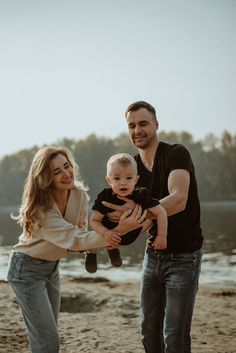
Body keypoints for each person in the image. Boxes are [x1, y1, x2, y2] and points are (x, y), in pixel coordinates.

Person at [7, 145, 144, 353]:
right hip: (25, 271)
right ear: (45, 178)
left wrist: (112, 233)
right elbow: (74, 238)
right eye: (56, 172)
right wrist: (118, 230)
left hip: (52, 269)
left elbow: (81, 231)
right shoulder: (41, 209)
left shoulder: (79, 195)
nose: (66, 174)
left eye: (66, 166)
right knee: (47, 341)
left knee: (48, 337)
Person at [102, 101, 204, 353]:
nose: (138, 130)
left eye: (143, 123)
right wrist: (112, 228)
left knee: (175, 337)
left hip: (184, 257)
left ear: (156, 124)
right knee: (148, 332)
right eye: (132, 125)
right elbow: (129, 222)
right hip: (152, 256)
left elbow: (179, 199)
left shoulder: (176, 154)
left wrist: (140, 214)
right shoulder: (131, 170)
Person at [85, 152, 167, 273]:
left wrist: (161, 236)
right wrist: (106, 233)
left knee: (148, 221)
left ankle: (112, 249)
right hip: (108, 232)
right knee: (96, 237)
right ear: (109, 180)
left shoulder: (140, 195)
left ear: (136, 179)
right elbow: (94, 220)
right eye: (117, 178)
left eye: (129, 178)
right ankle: (91, 251)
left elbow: (161, 212)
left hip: (129, 235)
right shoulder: (105, 196)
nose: (123, 182)